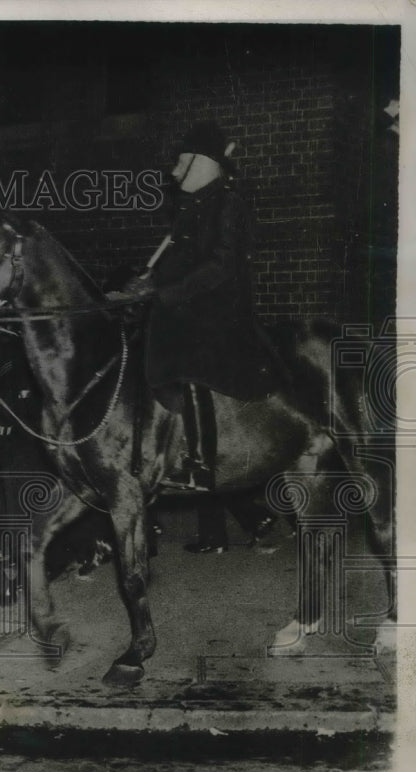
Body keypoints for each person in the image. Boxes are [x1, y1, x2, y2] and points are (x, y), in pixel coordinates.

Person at [125, 121, 273, 493]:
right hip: (189, 304)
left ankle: (200, 463)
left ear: (200, 162)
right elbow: (178, 264)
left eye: (180, 162)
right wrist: (148, 284)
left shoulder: (227, 204)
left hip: (219, 308)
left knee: (189, 361)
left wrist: (166, 294)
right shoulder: (191, 208)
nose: (174, 171)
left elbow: (221, 265)